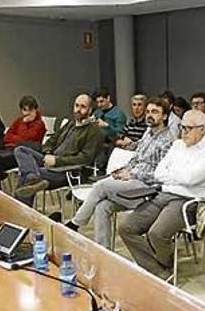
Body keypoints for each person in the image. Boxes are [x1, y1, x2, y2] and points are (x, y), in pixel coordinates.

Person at [118, 109, 205, 280]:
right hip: (164, 194)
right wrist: (178, 176)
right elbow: (159, 172)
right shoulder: (177, 145)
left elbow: (191, 178)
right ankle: (157, 269)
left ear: (203, 129)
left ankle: (161, 270)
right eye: (182, 127)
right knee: (126, 228)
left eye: (189, 128)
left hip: (189, 200)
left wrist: (173, 173)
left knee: (156, 234)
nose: (184, 132)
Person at [65, 97, 175, 248]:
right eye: (148, 111)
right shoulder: (148, 133)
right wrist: (125, 169)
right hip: (132, 182)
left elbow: (163, 174)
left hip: (148, 188)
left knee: (100, 186)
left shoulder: (168, 141)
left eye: (155, 112)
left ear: (164, 116)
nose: (149, 115)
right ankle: (104, 251)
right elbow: (137, 159)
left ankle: (75, 223)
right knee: (102, 206)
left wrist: (133, 174)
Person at [13, 93, 104, 206]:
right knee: (20, 150)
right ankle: (34, 178)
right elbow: (52, 139)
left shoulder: (94, 131)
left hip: (66, 171)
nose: (78, 110)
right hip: (51, 161)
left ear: (90, 110)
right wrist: (48, 153)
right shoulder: (71, 124)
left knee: (26, 176)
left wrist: (57, 161)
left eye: (83, 107)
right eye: (76, 106)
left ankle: (21, 214)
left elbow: (85, 158)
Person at [0, 95, 46, 187]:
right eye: (24, 111)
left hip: (26, 156)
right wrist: (16, 138)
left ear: (34, 110)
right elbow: (7, 136)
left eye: (29, 111)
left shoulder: (39, 124)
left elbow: (24, 139)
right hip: (10, 153)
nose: (26, 114)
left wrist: (24, 125)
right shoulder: (19, 120)